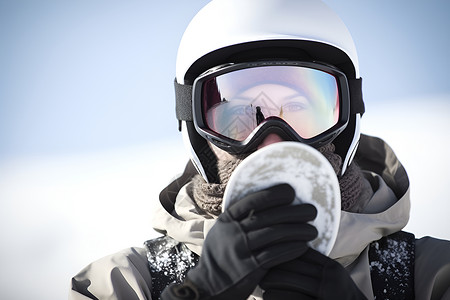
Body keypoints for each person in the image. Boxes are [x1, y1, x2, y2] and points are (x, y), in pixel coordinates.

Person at [69, 0, 450, 299]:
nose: (272, 139)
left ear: (346, 122)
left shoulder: (430, 277)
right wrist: (197, 293)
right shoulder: (124, 284)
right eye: (241, 114)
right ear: (198, 133)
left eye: (299, 110)